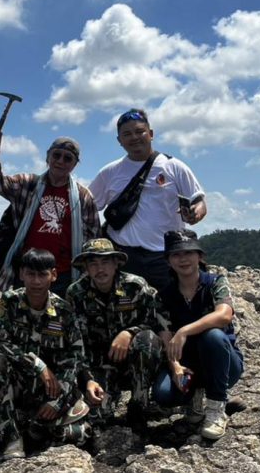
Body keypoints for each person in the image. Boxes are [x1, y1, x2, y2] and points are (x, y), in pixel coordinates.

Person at [0, 249, 90, 459]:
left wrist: (57, 402)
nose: (36, 281)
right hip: (18, 385)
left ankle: (36, 428)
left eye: (43, 275)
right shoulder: (9, 302)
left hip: (50, 390)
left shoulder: (63, 311)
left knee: (79, 436)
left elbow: (75, 359)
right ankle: (12, 436)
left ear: (54, 275)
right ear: (21, 274)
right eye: (31, 274)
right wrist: (37, 364)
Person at [88, 108, 206, 290]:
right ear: (119, 141)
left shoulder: (173, 166)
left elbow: (198, 201)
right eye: (127, 134)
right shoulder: (110, 172)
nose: (134, 137)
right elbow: (87, 205)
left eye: (139, 131)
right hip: (123, 255)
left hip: (164, 256)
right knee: (125, 311)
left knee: (168, 309)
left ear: (150, 134)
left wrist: (195, 214)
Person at [66, 238, 168, 429]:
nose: (100, 269)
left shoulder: (136, 286)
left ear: (115, 264)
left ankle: (139, 404)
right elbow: (75, 341)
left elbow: (158, 321)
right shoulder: (76, 293)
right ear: (86, 267)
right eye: (93, 263)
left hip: (135, 360)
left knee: (148, 339)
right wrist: (87, 380)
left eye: (105, 262)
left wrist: (129, 333)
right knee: (98, 419)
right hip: (100, 364)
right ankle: (105, 401)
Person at [0, 131, 99, 295]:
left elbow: (92, 238)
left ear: (74, 164)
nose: (60, 161)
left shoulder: (83, 196)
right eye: (56, 155)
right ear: (47, 157)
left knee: (58, 319)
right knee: (26, 317)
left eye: (68, 158)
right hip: (29, 272)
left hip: (65, 274)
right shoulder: (28, 184)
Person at [152, 230, 243, 440]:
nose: (183, 259)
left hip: (224, 362)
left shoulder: (215, 283)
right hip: (188, 364)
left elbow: (224, 315)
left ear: (199, 257)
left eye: (189, 253)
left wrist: (184, 330)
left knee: (213, 336)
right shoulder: (164, 296)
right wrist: (175, 367)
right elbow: (166, 335)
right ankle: (195, 397)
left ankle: (216, 408)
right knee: (163, 394)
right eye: (176, 254)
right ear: (168, 260)